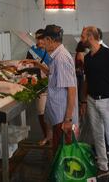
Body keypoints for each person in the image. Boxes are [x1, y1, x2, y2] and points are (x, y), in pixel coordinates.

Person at [80, 26, 109, 182]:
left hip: (108, 101)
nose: (81, 39)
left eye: (83, 36)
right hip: (92, 100)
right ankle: (103, 166)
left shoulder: (108, 54)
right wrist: (84, 100)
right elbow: (86, 80)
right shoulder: (88, 57)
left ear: (91, 37)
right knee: (97, 135)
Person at [40, 25, 78, 155]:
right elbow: (53, 75)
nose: (43, 44)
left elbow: (71, 89)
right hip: (58, 115)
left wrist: (68, 120)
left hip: (62, 118)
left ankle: (62, 175)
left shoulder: (61, 58)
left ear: (50, 40)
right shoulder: (56, 56)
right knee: (59, 151)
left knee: (63, 153)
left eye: (44, 41)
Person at [24, 29, 52, 146]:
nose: (38, 40)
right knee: (41, 113)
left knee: (53, 113)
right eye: (37, 38)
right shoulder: (31, 51)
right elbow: (28, 67)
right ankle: (46, 136)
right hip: (39, 86)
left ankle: (53, 137)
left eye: (41, 38)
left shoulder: (51, 51)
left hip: (52, 85)